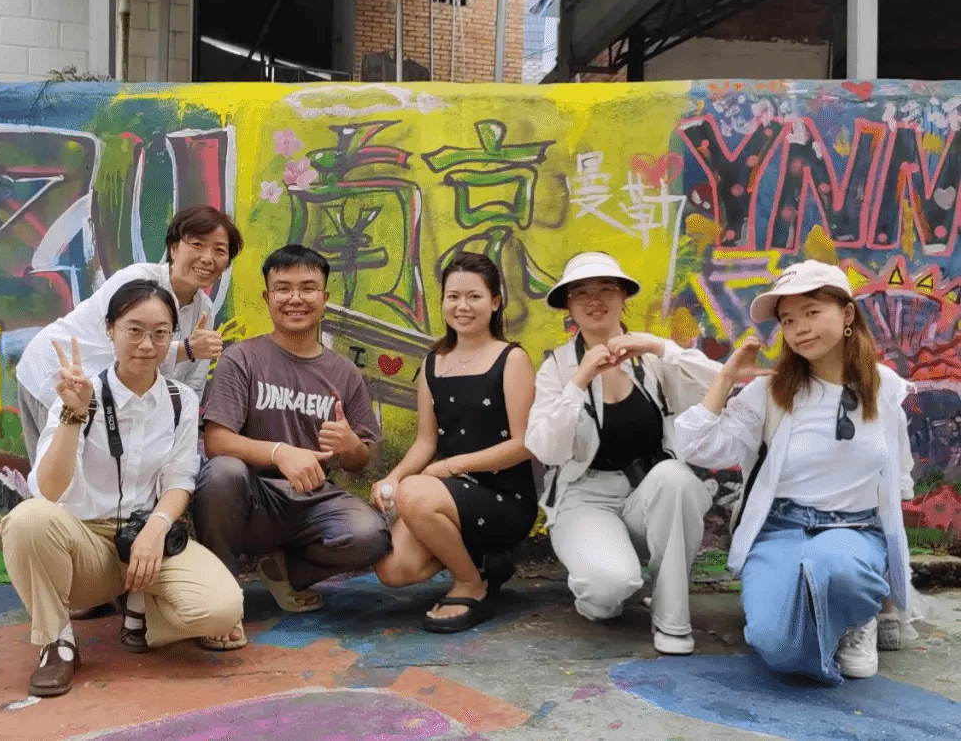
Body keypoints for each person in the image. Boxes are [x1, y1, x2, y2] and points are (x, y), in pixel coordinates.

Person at [1, 280, 246, 698]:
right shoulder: (81, 394)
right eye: (134, 330)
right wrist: (73, 417)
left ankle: (143, 613)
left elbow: (179, 479)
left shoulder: (180, 401)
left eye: (160, 333)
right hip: (85, 547)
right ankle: (57, 643)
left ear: (172, 337)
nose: (147, 345)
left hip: (146, 542)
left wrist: (156, 527)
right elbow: (49, 491)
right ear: (110, 330)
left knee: (223, 610)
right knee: (27, 520)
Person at [674, 260, 913, 684]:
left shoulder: (885, 387)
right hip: (780, 529)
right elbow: (696, 446)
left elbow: (899, 479)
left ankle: (855, 618)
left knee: (833, 564)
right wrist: (725, 379)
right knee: (777, 648)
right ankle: (823, 621)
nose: (799, 328)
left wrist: (892, 596)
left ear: (847, 314)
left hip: (855, 530)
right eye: (787, 320)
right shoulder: (772, 391)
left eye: (811, 312)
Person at [525, 252, 721, 655]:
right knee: (609, 588)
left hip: (648, 497)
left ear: (623, 298)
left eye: (606, 290)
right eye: (581, 293)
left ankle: (672, 620)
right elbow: (545, 448)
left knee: (677, 477)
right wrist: (579, 382)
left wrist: (663, 347)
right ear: (568, 305)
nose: (594, 301)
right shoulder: (557, 368)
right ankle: (604, 591)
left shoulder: (649, 358)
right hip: (585, 498)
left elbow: (720, 385)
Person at [192, 245, 391, 613]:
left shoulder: (345, 373)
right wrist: (279, 452)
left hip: (312, 503)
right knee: (221, 473)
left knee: (371, 535)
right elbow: (216, 442)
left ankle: (284, 571)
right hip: (251, 499)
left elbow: (361, 461)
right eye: (283, 289)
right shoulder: (242, 358)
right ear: (267, 298)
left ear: (325, 298)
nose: (295, 299)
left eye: (307, 288)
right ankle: (219, 593)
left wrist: (350, 446)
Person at [371, 252, 537, 633]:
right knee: (394, 570)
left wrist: (450, 467)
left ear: (495, 302)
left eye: (474, 296)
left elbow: (524, 443)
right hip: (447, 493)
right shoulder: (434, 361)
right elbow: (425, 442)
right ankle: (480, 562)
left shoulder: (511, 359)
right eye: (453, 296)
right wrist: (393, 478)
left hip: (503, 497)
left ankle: (470, 584)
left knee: (415, 494)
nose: (463, 306)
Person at [16, 205, 242, 462]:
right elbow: (120, 348)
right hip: (55, 376)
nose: (207, 258)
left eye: (219, 250)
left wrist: (180, 435)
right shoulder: (137, 281)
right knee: (61, 475)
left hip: (100, 398)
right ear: (174, 248)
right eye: (197, 245)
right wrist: (186, 349)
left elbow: (192, 385)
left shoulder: (204, 311)